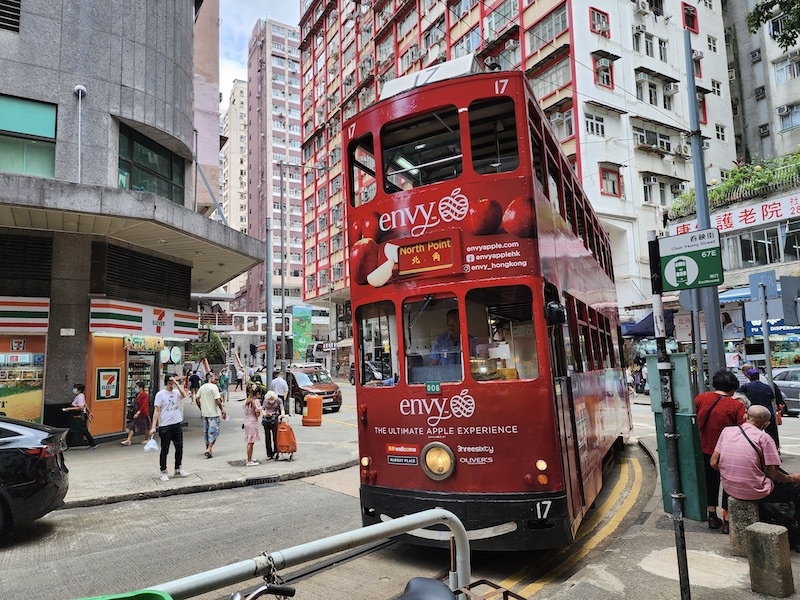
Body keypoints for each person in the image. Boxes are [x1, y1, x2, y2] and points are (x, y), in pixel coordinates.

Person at [711, 404, 800, 550]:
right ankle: (797, 537)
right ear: (766, 424)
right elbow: (774, 474)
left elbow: (714, 462)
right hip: (756, 491)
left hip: (731, 488)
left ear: (745, 416)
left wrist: (731, 472)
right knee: (796, 488)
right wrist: (792, 479)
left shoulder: (727, 431)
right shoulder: (764, 438)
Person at [694, 369, 746, 533]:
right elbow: (742, 429)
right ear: (733, 388)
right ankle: (727, 521)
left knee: (711, 482)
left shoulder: (701, 398)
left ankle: (711, 515)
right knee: (729, 484)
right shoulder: (736, 405)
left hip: (705, 448)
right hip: (727, 452)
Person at [150, 374, 189, 481]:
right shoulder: (160, 394)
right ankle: (163, 471)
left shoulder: (176, 392)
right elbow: (157, 410)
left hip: (176, 423)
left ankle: (178, 468)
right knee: (165, 449)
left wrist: (177, 384)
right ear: (168, 382)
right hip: (165, 426)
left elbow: (184, 395)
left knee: (179, 447)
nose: (175, 383)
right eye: (173, 381)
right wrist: (153, 427)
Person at [738, 368, 780, 449]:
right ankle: (775, 450)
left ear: (749, 377)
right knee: (772, 435)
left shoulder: (746, 386)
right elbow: (772, 398)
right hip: (768, 414)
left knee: (752, 435)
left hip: (754, 414)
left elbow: (737, 394)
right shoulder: (767, 387)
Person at [196, 373, 226, 459]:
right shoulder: (214, 387)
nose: (217, 381)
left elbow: (197, 398)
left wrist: (201, 408)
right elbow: (217, 400)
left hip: (205, 413)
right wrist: (222, 409)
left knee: (206, 431)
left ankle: (208, 448)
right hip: (213, 413)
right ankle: (209, 448)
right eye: (216, 379)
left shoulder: (202, 387)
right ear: (212, 379)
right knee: (213, 431)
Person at [63, 383, 98, 449]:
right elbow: (85, 404)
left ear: (79, 390)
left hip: (79, 416)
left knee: (83, 430)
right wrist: (89, 412)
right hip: (77, 416)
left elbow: (81, 407)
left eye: (75, 388)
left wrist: (68, 409)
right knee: (72, 430)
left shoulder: (80, 397)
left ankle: (93, 443)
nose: (74, 390)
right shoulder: (80, 396)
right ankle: (67, 445)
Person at [121, 381, 151, 445]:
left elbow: (144, 405)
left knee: (145, 426)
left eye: (136, 387)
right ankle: (128, 440)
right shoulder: (137, 395)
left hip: (142, 413)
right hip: (137, 412)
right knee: (133, 426)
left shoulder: (144, 395)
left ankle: (147, 438)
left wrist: (138, 412)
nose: (135, 388)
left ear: (141, 388)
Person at [261, 390, 285, 460]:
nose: (271, 401)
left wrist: (282, 414)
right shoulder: (265, 400)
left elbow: (282, 408)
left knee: (276, 436)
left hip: (275, 418)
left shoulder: (278, 400)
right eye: (269, 399)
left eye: (272, 399)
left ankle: (276, 451)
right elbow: (262, 409)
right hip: (267, 418)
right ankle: (269, 454)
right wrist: (265, 414)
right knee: (267, 437)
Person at [242, 383, 262, 466]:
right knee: (251, 442)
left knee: (249, 441)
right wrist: (260, 410)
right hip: (253, 422)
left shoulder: (246, 400)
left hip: (246, 421)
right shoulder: (255, 401)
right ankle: (249, 460)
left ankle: (249, 457)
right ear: (257, 394)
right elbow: (257, 414)